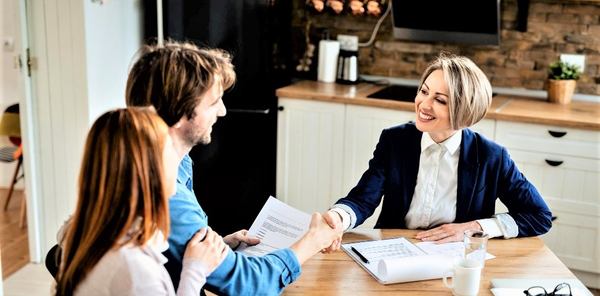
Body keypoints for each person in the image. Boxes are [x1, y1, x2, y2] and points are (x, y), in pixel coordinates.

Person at [125, 41, 341, 295]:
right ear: (181, 112)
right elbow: (249, 284)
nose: (223, 111)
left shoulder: (173, 162)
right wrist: (312, 240)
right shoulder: (168, 195)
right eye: (214, 101)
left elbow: (175, 249)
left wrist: (219, 249)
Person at [322, 53, 552, 251]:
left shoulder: (492, 156)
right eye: (424, 91)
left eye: (439, 100)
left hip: (455, 257)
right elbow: (363, 199)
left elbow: (539, 216)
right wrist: (338, 219)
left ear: (465, 110)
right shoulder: (394, 141)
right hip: (392, 249)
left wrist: (475, 227)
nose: (424, 104)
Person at [55, 108, 228, 295]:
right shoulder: (137, 272)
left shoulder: (81, 230)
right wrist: (195, 271)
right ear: (148, 173)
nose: (178, 161)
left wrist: (210, 252)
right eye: (171, 151)